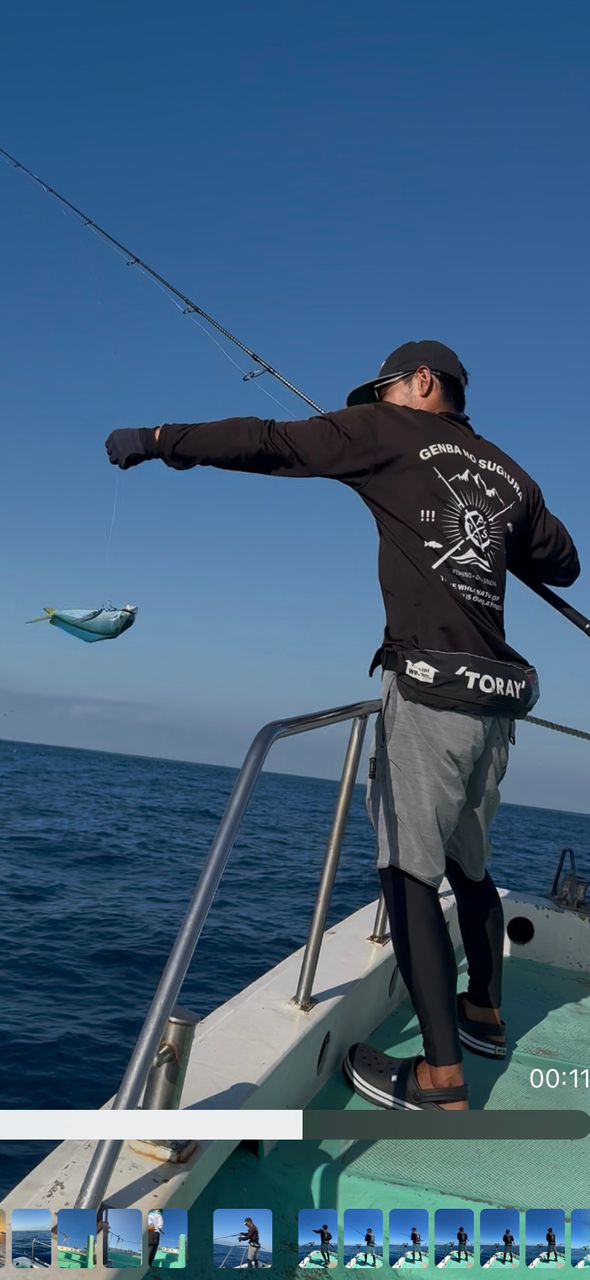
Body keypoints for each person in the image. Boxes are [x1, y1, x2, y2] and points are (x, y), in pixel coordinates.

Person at [106, 339, 580, 1111]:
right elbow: (563, 564)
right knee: (470, 865)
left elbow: (270, 442)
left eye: (382, 390)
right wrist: (504, 534)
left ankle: (441, 1079)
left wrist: (159, 441)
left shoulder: (387, 431)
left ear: (421, 382)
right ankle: (485, 1015)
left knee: (407, 873)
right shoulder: (510, 474)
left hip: (432, 693)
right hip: (496, 704)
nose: (373, 404)